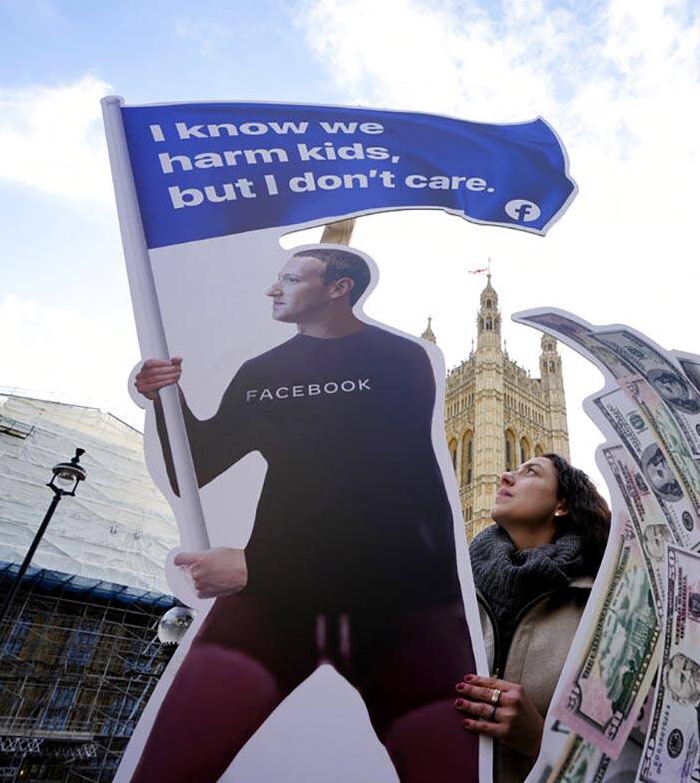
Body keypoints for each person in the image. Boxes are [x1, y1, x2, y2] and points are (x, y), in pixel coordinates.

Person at [129, 247, 478, 782]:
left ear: (339, 288)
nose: (273, 290)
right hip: (275, 604)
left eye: (290, 279)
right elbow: (192, 472)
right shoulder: (263, 371)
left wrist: (260, 567)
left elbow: (386, 490)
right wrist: (163, 401)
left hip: (402, 611)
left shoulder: (401, 360)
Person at [453, 454, 610, 783]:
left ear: (561, 504)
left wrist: (541, 740)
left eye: (530, 472)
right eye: (512, 470)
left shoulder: (599, 603)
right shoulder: (451, 588)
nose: (506, 477)